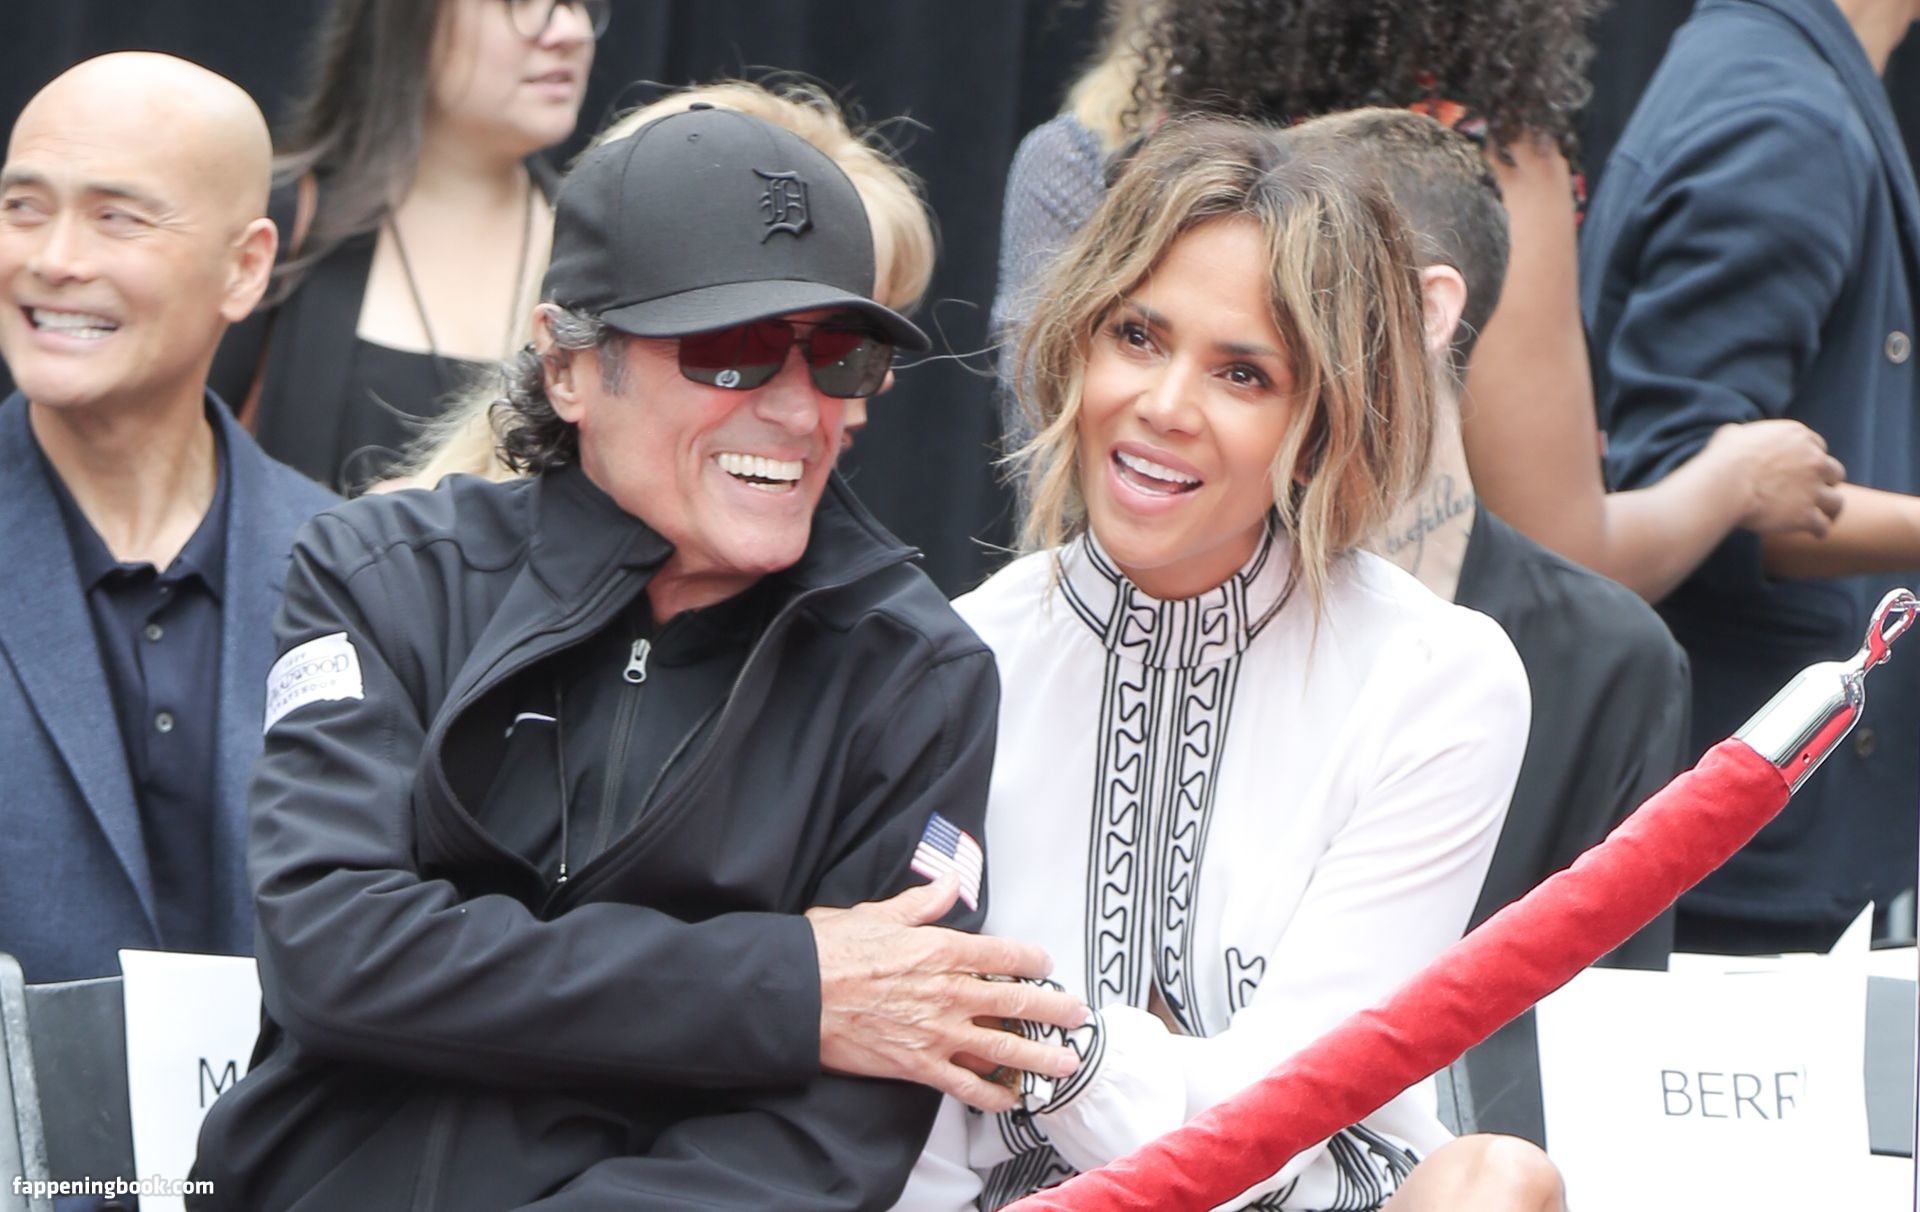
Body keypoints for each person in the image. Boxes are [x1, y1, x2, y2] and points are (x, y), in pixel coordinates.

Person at [189, 107, 1089, 1212]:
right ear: (569, 365)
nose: (797, 408)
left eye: (838, 357)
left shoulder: (915, 676)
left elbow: (825, 1149)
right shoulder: (382, 573)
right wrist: (790, 985)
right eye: (730, 350)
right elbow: (338, 954)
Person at [902, 117, 1558, 1211]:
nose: (1165, 408)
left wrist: (1037, 1048)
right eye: (1138, 337)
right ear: (1076, 344)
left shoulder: (1438, 678)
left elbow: (1282, 1112)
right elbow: (908, 1127)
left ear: (1323, 421)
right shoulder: (954, 662)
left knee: (1497, 1180)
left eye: (1243, 374)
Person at [992, 0, 1845, 602]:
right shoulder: (1483, 172)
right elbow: (1566, 554)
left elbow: (1056, 493)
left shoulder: (1102, 151)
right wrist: (1732, 479)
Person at [1288, 108, 1690, 966]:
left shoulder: (1612, 661)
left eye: (1304, 287)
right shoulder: (1196, 599)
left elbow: (1606, 1019)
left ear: (1427, 309)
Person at [1581, 0, 1920, 953]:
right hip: (1748, 828)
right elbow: (1682, 481)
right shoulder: (1787, 120)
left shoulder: (1767, 70)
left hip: (1754, 814)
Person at [0, 53, 337, 985]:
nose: (54, 258)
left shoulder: (355, 575)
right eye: (23, 206)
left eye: (118, 217)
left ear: (245, 267)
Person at [382, 78, 936, 490]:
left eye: (857, 346)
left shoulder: (867, 601)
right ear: (569, 357)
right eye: (743, 341)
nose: (859, 398)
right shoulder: (399, 572)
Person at [207, 0, 602, 491]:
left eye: (577, 3)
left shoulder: (603, 252)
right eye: (521, 3)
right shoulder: (279, 224)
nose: (570, 30)